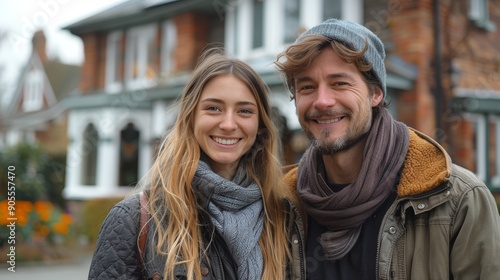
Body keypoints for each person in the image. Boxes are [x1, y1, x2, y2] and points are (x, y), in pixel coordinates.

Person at [274, 18, 500, 279]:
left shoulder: (458, 199)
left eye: (340, 83)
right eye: (307, 87)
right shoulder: (280, 204)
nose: (322, 101)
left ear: (376, 94)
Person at [88, 48, 306, 280]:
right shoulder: (135, 221)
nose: (229, 124)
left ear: (260, 126)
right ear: (190, 117)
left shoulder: (282, 217)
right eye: (213, 108)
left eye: (244, 111)